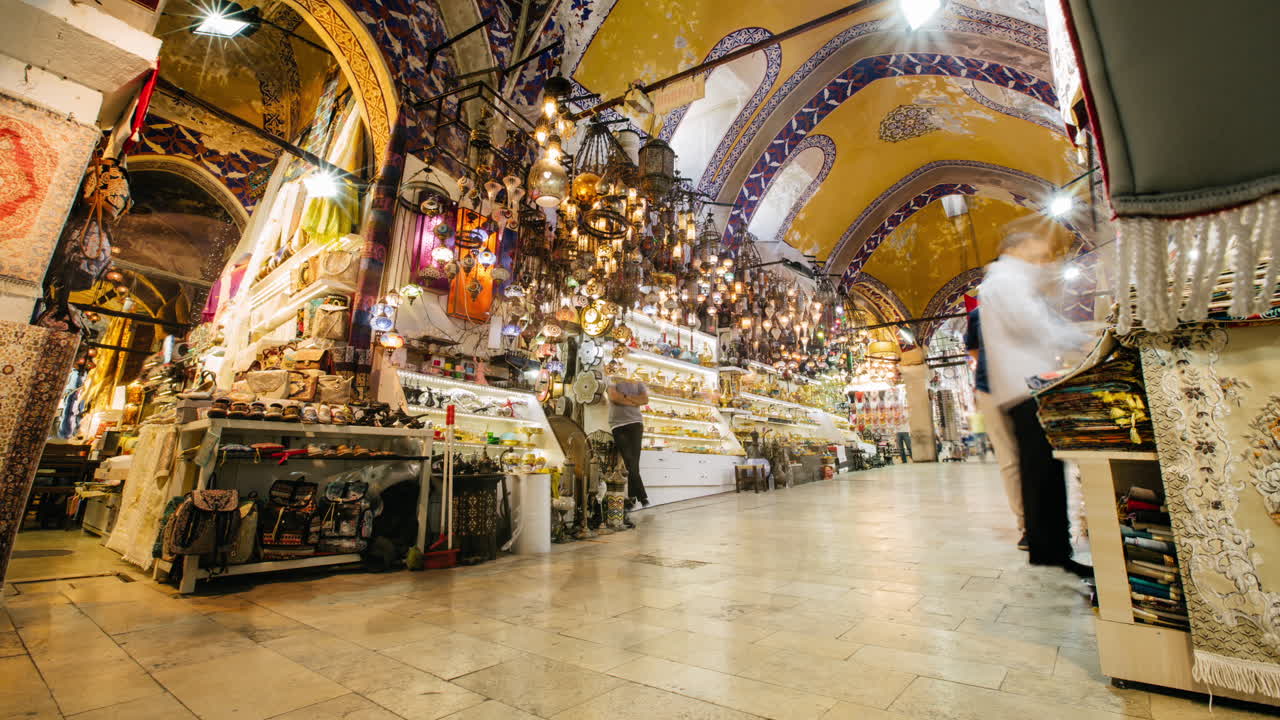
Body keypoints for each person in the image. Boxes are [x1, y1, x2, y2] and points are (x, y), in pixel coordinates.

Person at [978, 230, 1093, 577]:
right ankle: (1052, 550)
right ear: (1017, 246)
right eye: (1037, 249)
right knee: (1041, 470)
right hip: (1026, 386)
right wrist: (1084, 338)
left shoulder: (1007, 281)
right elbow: (1033, 325)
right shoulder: (1006, 281)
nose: (1042, 258)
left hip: (1023, 385)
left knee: (1040, 469)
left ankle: (1049, 548)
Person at [965, 306, 1025, 549]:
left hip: (1024, 382)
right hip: (996, 385)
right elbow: (974, 349)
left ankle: (1037, 523)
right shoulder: (980, 313)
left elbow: (974, 349)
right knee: (1011, 458)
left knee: (1022, 457)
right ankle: (1028, 524)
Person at [607, 376, 650, 509]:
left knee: (633, 463)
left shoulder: (638, 381)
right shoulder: (612, 378)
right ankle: (642, 497)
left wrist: (624, 397)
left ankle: (633, 499)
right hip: (617, 424)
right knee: (630, 461)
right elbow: (614, 397)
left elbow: (644, 400)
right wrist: (633, 400)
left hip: (636, 423)